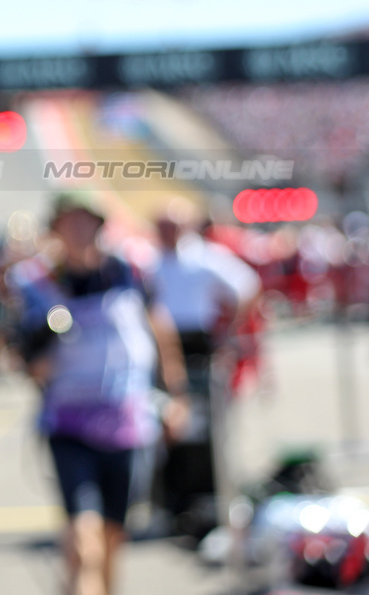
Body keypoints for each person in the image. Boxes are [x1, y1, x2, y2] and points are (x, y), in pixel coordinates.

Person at [8, 195, 188, 595]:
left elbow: (161, 332)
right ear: (55, 230)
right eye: (68, 223)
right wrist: (42, 345)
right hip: (69, 425)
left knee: (111, 537)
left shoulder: (129, 272)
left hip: (126, 423)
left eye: (84, 223)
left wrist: (177, 394)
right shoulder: (38, 285)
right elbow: (29, 364)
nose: (77, 231)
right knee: (83, 539)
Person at [146, 201, 260, 537]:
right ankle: (171, 505)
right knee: (165, 430)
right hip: (162, 350)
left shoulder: (205, 257)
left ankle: (209, 501)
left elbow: (248, 286)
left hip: (197, 348)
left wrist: (229, 331)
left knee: (206, 429)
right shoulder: (149, 263)